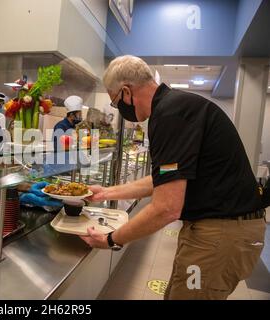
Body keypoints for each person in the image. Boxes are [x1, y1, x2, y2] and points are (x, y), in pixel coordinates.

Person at [81, 55, 266, 300]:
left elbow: (166, 208)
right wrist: (106, 193)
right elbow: (165, 179)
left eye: (115, 103)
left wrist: (111, 239)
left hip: (220, 235)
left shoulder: (169, 115)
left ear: (126, 92)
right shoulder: (175, 106)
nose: (119, 110)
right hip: (221, 231)